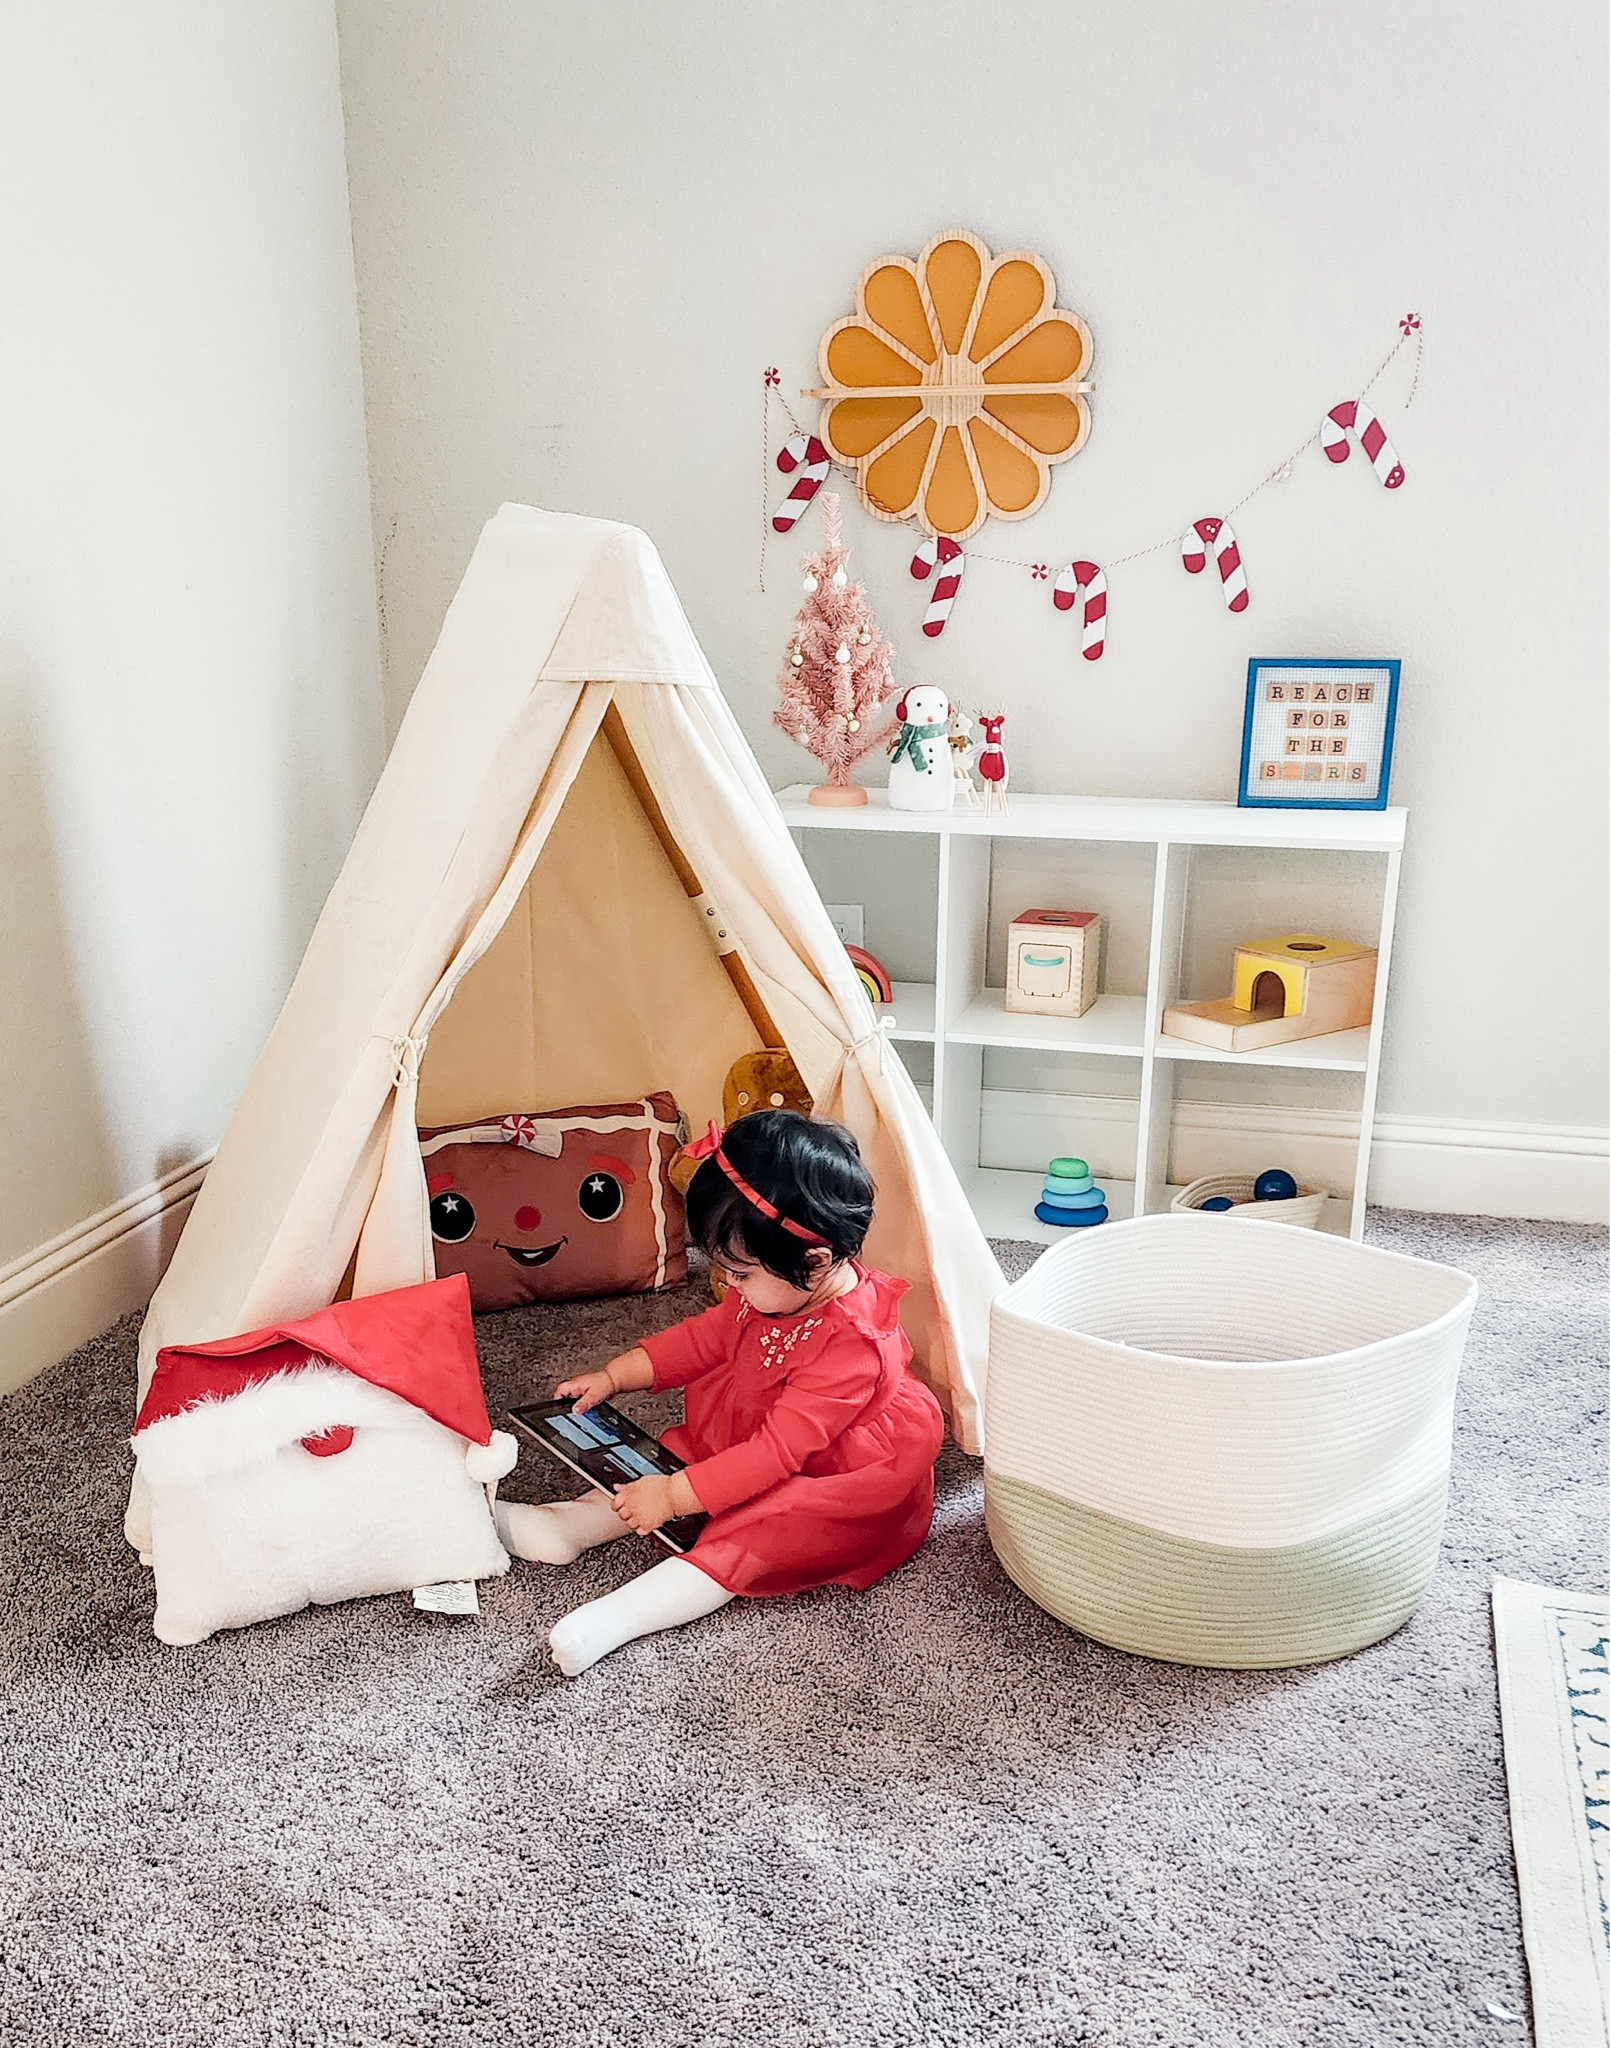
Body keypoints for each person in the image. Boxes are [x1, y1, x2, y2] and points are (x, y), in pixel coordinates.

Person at [496, 1110, 945, 1676]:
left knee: (760, 1527)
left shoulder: (852, 1348)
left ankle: (617, 1617)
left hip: (828, 1469)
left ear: (815, 1262)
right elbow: (706, 1339)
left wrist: (676, 1497)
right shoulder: (773, 1289)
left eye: (741, 1274)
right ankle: (569, 1526)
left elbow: (776, 1455)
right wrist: (617, 1374)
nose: (729, 1287)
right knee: (674, 1458)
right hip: (758, 1426)